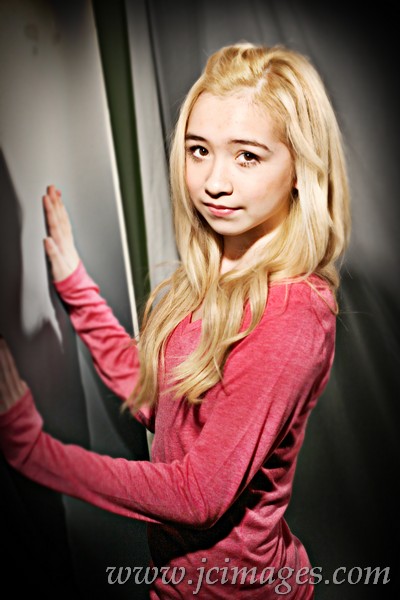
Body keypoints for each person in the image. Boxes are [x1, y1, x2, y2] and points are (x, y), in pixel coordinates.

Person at [0, 42, 350, 599]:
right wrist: (75, 286)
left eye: (247, 156)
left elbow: (196, 495)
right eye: (199, 150)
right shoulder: (215, 272)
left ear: (300, 171)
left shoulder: (291, 315)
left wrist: (34, 452)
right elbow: (157, 402)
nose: (214, 182)